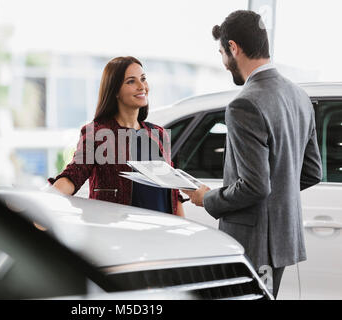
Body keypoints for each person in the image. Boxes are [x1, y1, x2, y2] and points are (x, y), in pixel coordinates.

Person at [182, 10, 322, 298]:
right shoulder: (299, 96)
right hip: (282, 242)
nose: (223, 63)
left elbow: (255, 186)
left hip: (253, 243)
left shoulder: (244, 104)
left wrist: (207, 197)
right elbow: (311, 172)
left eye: (222, 52)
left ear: (233, 48)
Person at [49, 56, 185, 216]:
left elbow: (173, 192)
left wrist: (183, 228)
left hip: (162, 231)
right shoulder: (98, 133)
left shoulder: (159, 134)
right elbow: (73, 175)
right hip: (119, 233)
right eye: (131, 81)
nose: (142, 86)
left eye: (143, 79)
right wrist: (46, 207)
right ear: (115, 91)